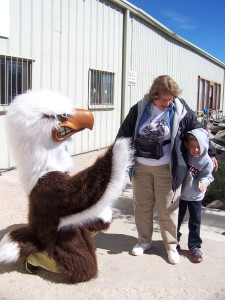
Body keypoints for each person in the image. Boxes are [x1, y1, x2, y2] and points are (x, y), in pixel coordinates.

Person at [116, 75, 217, 264]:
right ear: (154, 95)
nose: (167, 103)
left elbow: (197, 128)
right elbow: (124, 133)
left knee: (168, 209)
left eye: (170, 99)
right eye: (164, 100)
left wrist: (210, 151)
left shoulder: (179, 108)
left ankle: (171, 246)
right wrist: (116, 159)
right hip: (141, 167)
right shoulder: (140, 108)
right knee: (142, 207)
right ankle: (144, 241)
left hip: (167, 168)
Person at [177, 128, 214, 263]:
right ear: (187, 145)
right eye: (192, 147)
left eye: (199, 147)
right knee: (176, 220)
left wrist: (204, 182)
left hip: (196, 197)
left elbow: (208, 176)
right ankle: (174, 241)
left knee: (195, 222)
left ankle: (194, 246)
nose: (195, 150)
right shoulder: (183, 154)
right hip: (180, 196)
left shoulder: (206, 161)